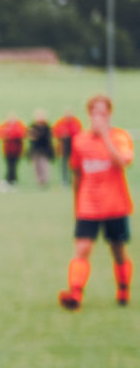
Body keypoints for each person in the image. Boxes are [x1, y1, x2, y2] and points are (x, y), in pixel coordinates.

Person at [58, 95, 132, 310]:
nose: (99, 117)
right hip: (88, 205)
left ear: (109, 114)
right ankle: (75, 294)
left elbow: (122, 162)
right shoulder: (80, 141)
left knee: (118, 250)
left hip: (115, 205)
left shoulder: (119, 137)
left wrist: (105, 137)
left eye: (103, 113)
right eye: (95, 113)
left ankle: (123, 288)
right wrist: (77, 205)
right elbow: (77, 174)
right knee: (82, 248)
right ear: (89, 114)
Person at [0, 114, 27, 190]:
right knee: (9, 166)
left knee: (13, 167)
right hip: (7, 151)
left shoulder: (19, 126)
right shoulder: (5, 125)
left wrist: (9, 135)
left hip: (16, 151)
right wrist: (7, 134)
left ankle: (11, 181)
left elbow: (20, 134)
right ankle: (10, 181)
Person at [53, 110, 82, 186]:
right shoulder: (61, 122)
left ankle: (72, 179)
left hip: (73, 147)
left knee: (73, 165)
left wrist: (69, 133)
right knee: (64, 165)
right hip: (63, 147)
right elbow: (55, 131)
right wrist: (62, 134)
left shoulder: (75, 122)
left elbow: (78, 133)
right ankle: (64, 180)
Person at [28, 110, 55, 189]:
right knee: (36, 167)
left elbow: (49, 138)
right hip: (35, 150)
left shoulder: (46, 127)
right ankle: (39, 181)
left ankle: (44, 181)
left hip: (44, 150)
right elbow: (30, 137)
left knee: (44, 165)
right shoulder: (32, 126)